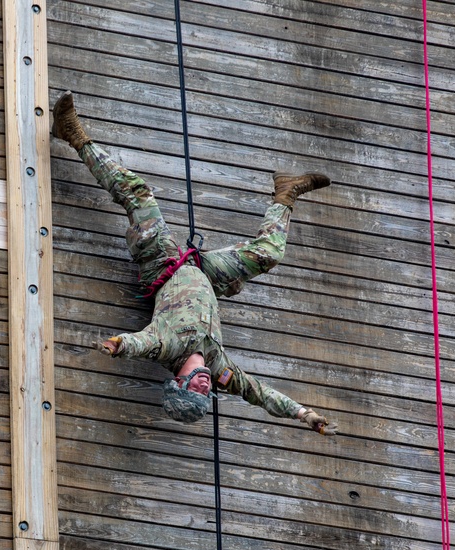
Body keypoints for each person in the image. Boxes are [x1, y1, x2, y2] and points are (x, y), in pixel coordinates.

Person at [51, 91, 337, 435]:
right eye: (206, 394)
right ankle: (286, 193)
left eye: (194, 389)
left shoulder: (166, 345)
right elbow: (260, 394)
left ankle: (74, 135)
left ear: (179, 381)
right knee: (268, 254)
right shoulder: (219, 368)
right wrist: (303, 414)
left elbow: (137, 344)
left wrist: (115, 345)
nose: (204, 387)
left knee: (137, 193)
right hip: (205, 272)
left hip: (163, 261)